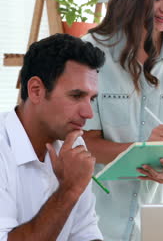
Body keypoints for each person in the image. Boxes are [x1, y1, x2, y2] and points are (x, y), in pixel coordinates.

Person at [81, 0, 163, 240]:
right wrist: (142, 151)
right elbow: (87, 143)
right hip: (100, 224)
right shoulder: (92, 51)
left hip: (160, 225)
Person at [0, 33, 105, 241]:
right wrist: (69, 189)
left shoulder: (73, 143)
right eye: (76, 96)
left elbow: (85, 232)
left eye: (91, 99)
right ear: (36, 90)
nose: (89, 113)